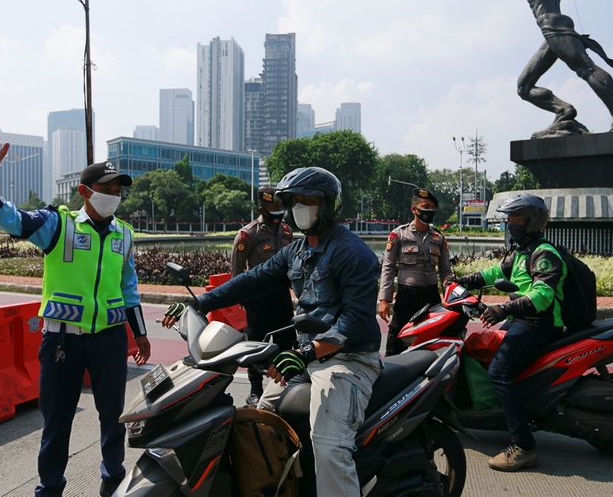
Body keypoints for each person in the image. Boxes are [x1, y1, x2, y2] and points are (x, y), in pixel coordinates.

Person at [162, 167, 382, 497]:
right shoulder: (296, 252)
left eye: (310, 200)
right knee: (257, 421)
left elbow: (354, 320)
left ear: (329, 206)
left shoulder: (353, 253)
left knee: (329, 446)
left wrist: (307, 352)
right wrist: (200, 303)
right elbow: (252, 280)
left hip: (348, 362)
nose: (301, 208)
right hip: (306, 360)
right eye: (295, 201)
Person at [0, 135, 151, 497]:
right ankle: (50, 488)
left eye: (118, 189)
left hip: (110, 340)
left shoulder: (124, 235)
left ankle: (113, 479)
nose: (114, 194)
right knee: (57, 422)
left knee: (113, 418)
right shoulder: (58, 225)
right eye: (106, 188)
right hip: (62, 342)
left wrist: (140, 333)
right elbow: (9, 218)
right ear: (84, 191)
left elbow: (129, 290)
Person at [456, 193, 565, 472]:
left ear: (532, 222)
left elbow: (542, 296)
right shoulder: (522, 251)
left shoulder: (544, 254)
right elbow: (495, 272)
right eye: (509, 219)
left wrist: (503, 309)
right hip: (524, 319)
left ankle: (523, 446)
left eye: (516, 219)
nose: (510, 224)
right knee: (484, 351)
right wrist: (463, 280)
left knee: (499, 373)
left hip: (539, 324)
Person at [519, 0, 613, 137]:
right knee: (524, 87)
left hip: (553, 26)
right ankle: (564, 111)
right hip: (549, 30)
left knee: (586, 68)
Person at [230, 187, 295, 407]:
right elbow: (237, 271)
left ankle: (287, 385)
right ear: (261, 208)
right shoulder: (249, 234)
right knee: (256, 344)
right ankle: (255, 390)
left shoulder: (287, 231)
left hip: (281, 295)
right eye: (272, 207)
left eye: (279, 206)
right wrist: (242, 297)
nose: (277, 211)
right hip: (258, 297)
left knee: (287, 340)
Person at [378, 187, 452, 355]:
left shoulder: (439, 238)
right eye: (425, 207)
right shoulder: (398, 235)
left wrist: (451, 294)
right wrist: (384, 299)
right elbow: (388, 268)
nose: (429, 211)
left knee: (434, 341)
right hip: (407, 295)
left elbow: (445, 271)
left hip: (431, 297)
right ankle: (392, 375)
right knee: (396, 341)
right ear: (414, 209)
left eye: (432, 208)